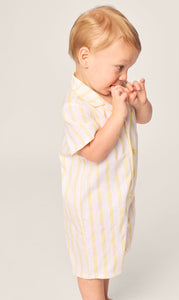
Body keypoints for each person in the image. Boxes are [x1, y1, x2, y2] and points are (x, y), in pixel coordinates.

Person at [59, 5, 152, 300]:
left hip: (112, 197)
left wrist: (139, 104)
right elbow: (95, 152)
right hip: (89, 202)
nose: (124, 75)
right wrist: (118, 114)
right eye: (119, 67)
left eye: (128, 68)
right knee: (90, 261)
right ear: (85, 57)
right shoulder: (77, 106)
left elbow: (144, 118)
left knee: (105, 257)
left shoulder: (112, 91)